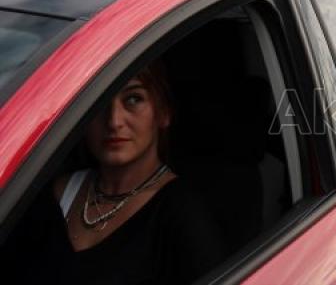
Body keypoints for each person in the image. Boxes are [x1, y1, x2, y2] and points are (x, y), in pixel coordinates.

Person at [4, 60, 226, 284]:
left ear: (163, 113)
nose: (114, 121)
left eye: (133, 99)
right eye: (99, 102)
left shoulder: (183, 214)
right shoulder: (54, 195)